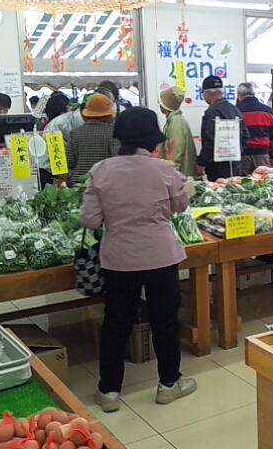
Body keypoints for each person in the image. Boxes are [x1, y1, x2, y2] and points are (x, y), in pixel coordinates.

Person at [80, 107, 196, 414]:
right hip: (161, 256)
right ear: (152, 141)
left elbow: (90, 220)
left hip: (118, 260)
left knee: (116, 325)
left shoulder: (100, 171)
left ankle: (109, 392)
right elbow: (180, 206)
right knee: (165, 322)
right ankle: (169, 385)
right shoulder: (165, 170)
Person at [196, 76, 250, 181]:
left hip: (218, 168)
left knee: (220, 195)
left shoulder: (212, 112)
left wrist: (201, 164)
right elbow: (246, 136)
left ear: (206, 94)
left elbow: (210, 142)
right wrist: (236, 152)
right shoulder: (235, 109)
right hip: (236, 165)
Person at [66, 93, 119, 185]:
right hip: (104, 183)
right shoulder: (113, 133)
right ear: (108, 115)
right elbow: (116, 160)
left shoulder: (75, 133)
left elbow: (69, 162)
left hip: (78, 185)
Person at [236, 82, 273, 174]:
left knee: (243, 184)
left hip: (243, 157)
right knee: (263, 184)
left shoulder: (235, 111)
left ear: (239, 95)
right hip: (263, 155)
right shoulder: (268, 111)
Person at [157, 87, 197, 178]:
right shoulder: (176, 119)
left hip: (180, 176)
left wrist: (171, 177)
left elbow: (175, 153)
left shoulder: (175, 123)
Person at [37, 93, 71, 187]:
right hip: (53, 172)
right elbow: (58, 156)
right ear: (62, 112)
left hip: (48, 170)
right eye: (67, 108)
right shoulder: (55, 127)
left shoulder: (47, 125)